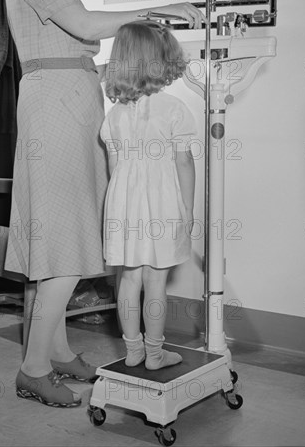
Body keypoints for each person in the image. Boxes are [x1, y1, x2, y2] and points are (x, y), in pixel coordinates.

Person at [4, 0, 205, 409]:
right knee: (63, 237)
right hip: (56, 107)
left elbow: (78, 40)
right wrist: (157, 8)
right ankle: (33, 369)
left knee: (70, 233)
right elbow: (89, 28)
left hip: (72, 100)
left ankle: (60, 351)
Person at [100, 21, 196, 371]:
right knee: (156, 280)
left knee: (129, 277)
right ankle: (155, 353)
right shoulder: (173, 109)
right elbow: (184, 162)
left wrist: (122, 203)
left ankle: (133, 349)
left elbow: (114, 166)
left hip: (124, 204)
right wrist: (187, 209)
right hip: (162, 202)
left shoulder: (114, 115)